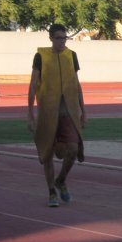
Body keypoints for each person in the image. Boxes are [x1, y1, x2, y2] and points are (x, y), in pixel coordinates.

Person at [28, 24, 87, 207]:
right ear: (51, 39)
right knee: (47, 154)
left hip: (68, 111)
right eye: (59, 38)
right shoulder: (41, 56)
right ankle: (52, 191)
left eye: (64, 38)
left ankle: (61, 180)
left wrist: (83, 111)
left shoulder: (72, 55)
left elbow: (77, 84)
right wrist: (30, 114)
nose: (62, 41)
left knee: (73, 149)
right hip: (47, 111)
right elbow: (33, 84)